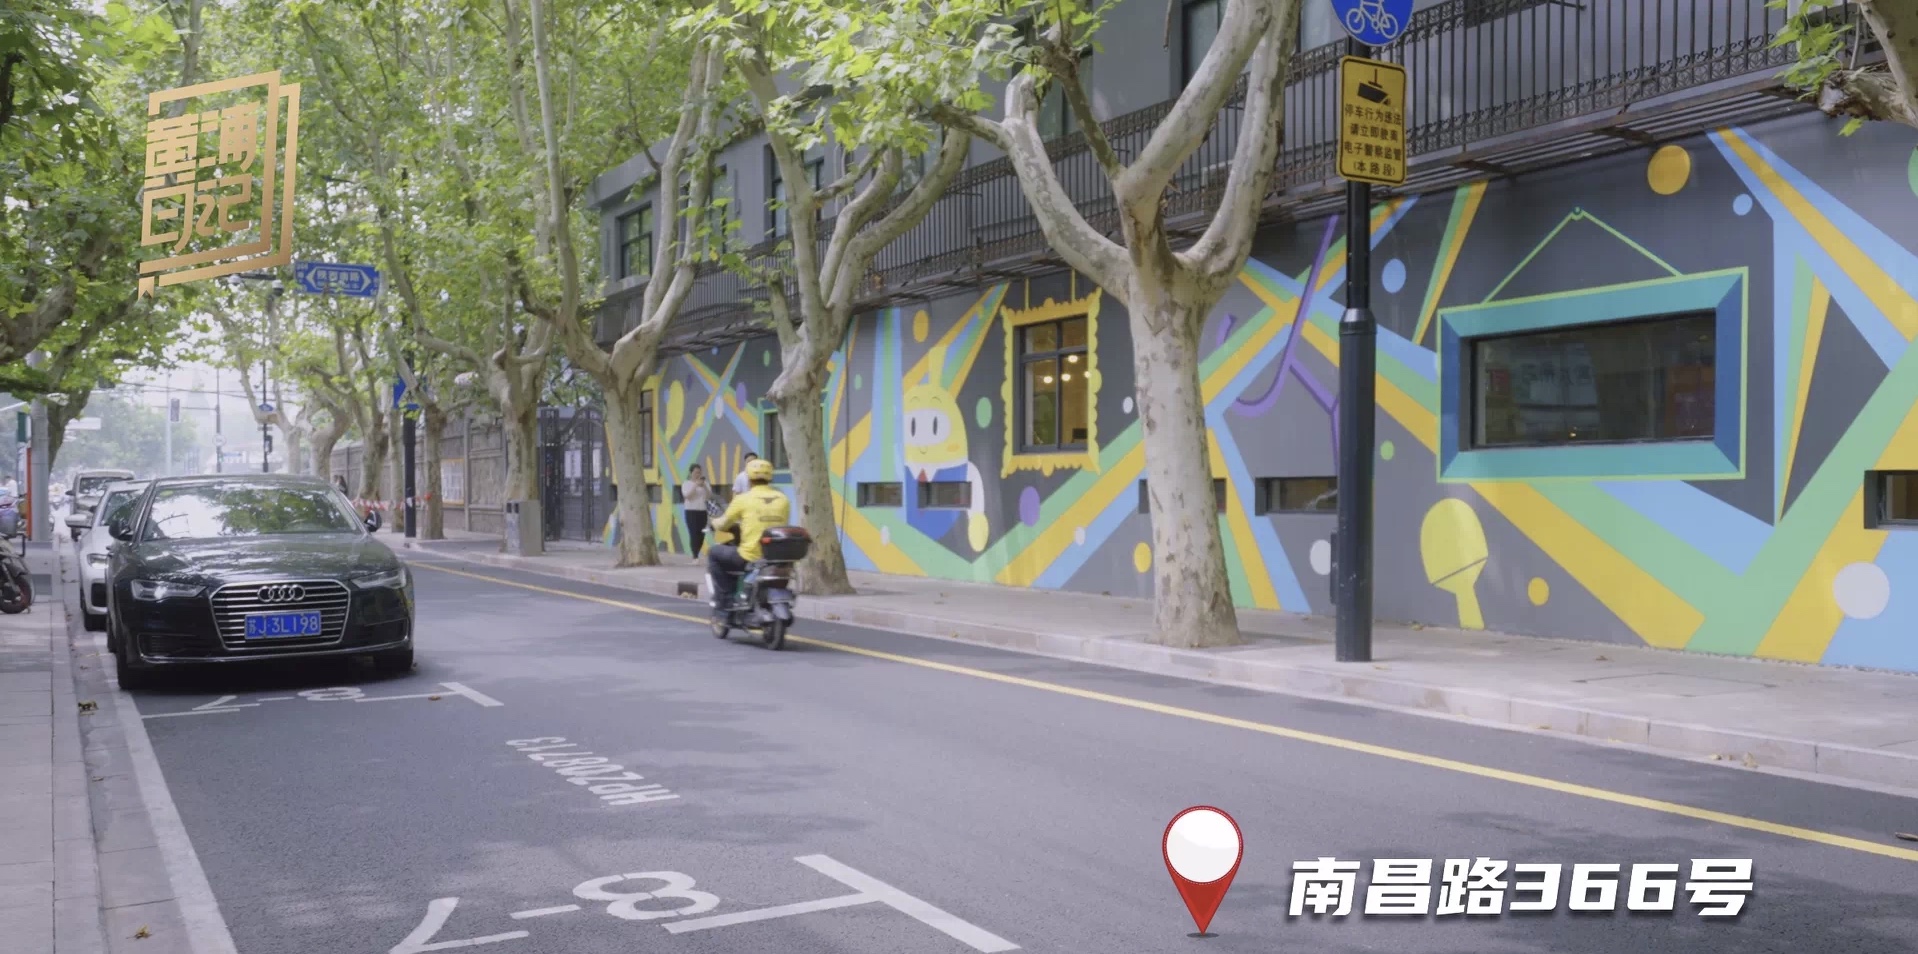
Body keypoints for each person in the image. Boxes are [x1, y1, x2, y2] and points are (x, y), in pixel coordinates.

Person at [706, 458, 788, 613]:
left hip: (750, 555)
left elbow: (724, 524)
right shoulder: (782, 499)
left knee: (714, 554)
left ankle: (726, 600)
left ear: (749, 479)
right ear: (770, 477)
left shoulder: (743, 499)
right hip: (774, 557)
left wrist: (713, 522)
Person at [681, 465, 712, 558]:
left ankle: (697, 552)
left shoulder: (705, 483)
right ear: (691, 473)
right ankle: (695, 556)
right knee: (693, 533)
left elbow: (709, 496)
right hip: (691, 511)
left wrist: (704, 486)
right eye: (696, 472)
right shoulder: (686, 483)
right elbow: (687, 496)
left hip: (702, 511)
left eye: (699, 472)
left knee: (701, 534)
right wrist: (695, 485)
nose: (698, 474)